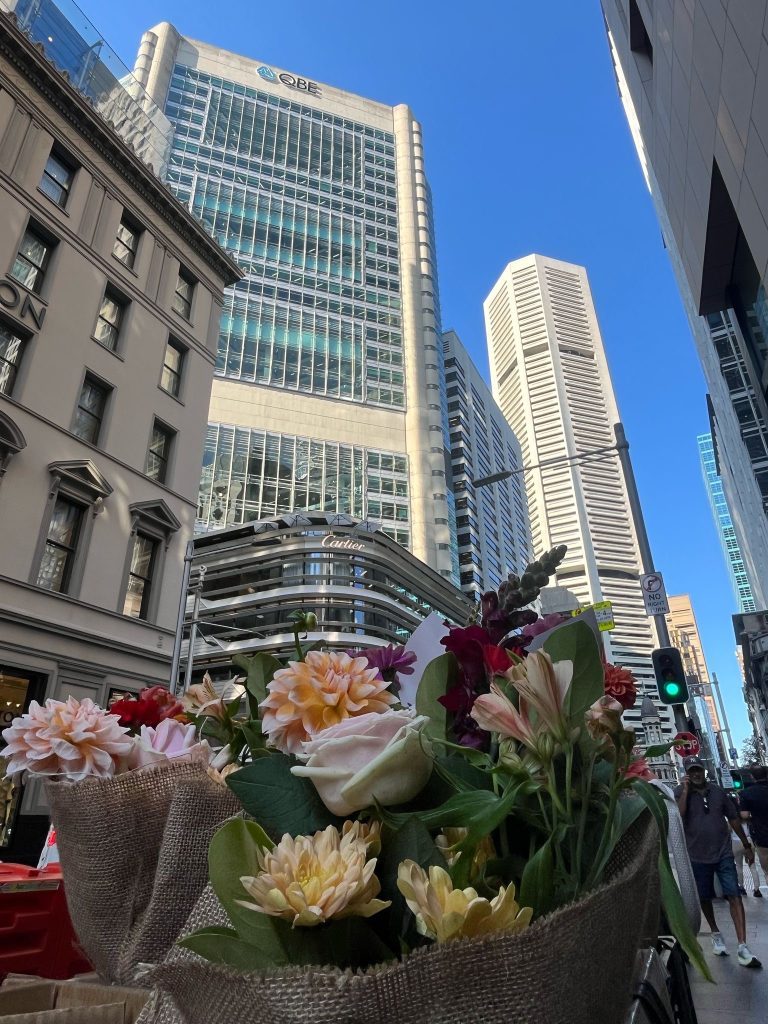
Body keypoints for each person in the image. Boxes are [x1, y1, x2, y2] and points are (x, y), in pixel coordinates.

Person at [675, 756, 761, 967]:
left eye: (698, 770)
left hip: (723, 852)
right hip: (697, 855)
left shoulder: (718, 792)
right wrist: (685, 790)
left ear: (704, 771)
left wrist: (747, 845)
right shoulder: (680, 792)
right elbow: (678, 815)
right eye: (692, 770)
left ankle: (742, 945)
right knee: (704, 896)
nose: (696, 773)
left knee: (734, 893)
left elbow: (733, 819)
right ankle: (715, 932)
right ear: (686, 772)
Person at [740, 764, 768, 883]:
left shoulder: (747, 793)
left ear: (752, 777)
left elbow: (744, 815)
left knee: (766, 868)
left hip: (762, 834)